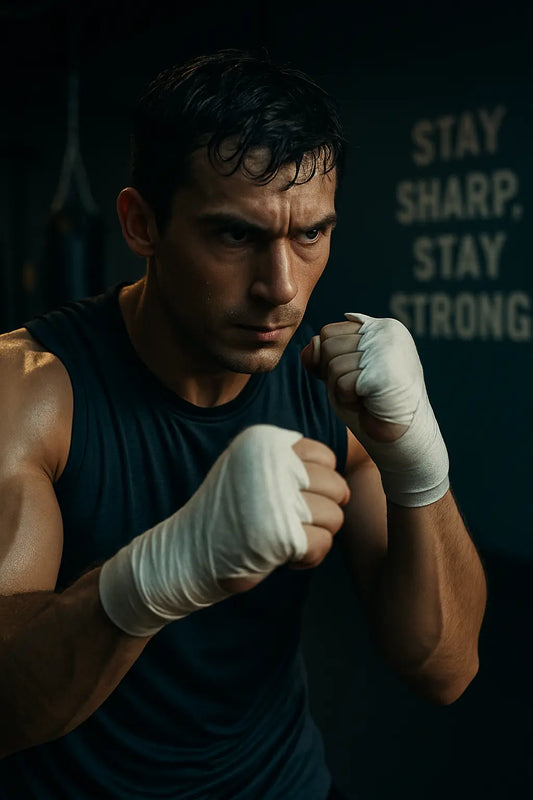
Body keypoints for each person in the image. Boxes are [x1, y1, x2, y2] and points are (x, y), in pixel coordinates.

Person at [0, 49, 486, 799]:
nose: (281, 289)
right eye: (235, 236)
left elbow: (443, 669)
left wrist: (418, 461)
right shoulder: (32, 394)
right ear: (140, 223)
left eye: (310, 235)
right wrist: (161, 572)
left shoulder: (328, 396)